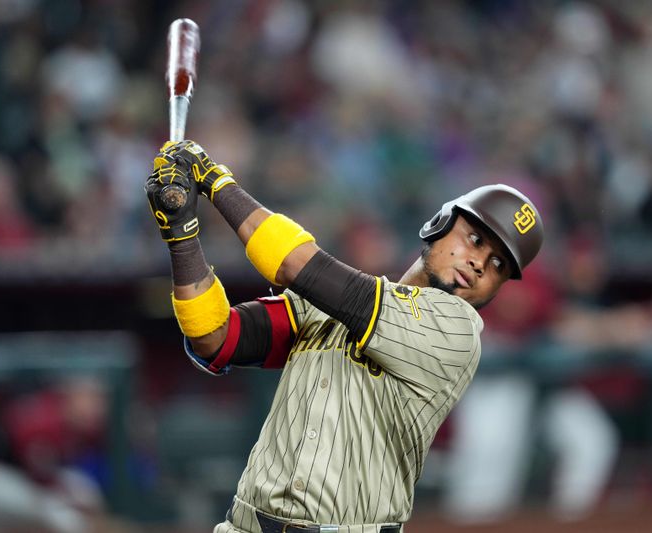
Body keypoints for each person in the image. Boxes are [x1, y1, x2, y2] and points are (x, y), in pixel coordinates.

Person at [144, 139, 543, 533]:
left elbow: (295, 266)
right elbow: (216, 338)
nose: (477, 264)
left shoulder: (457, 332)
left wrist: (216, 182)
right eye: (475, 239)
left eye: (497, 265)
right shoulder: (330, 299)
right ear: (440, 223)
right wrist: (181, 235)